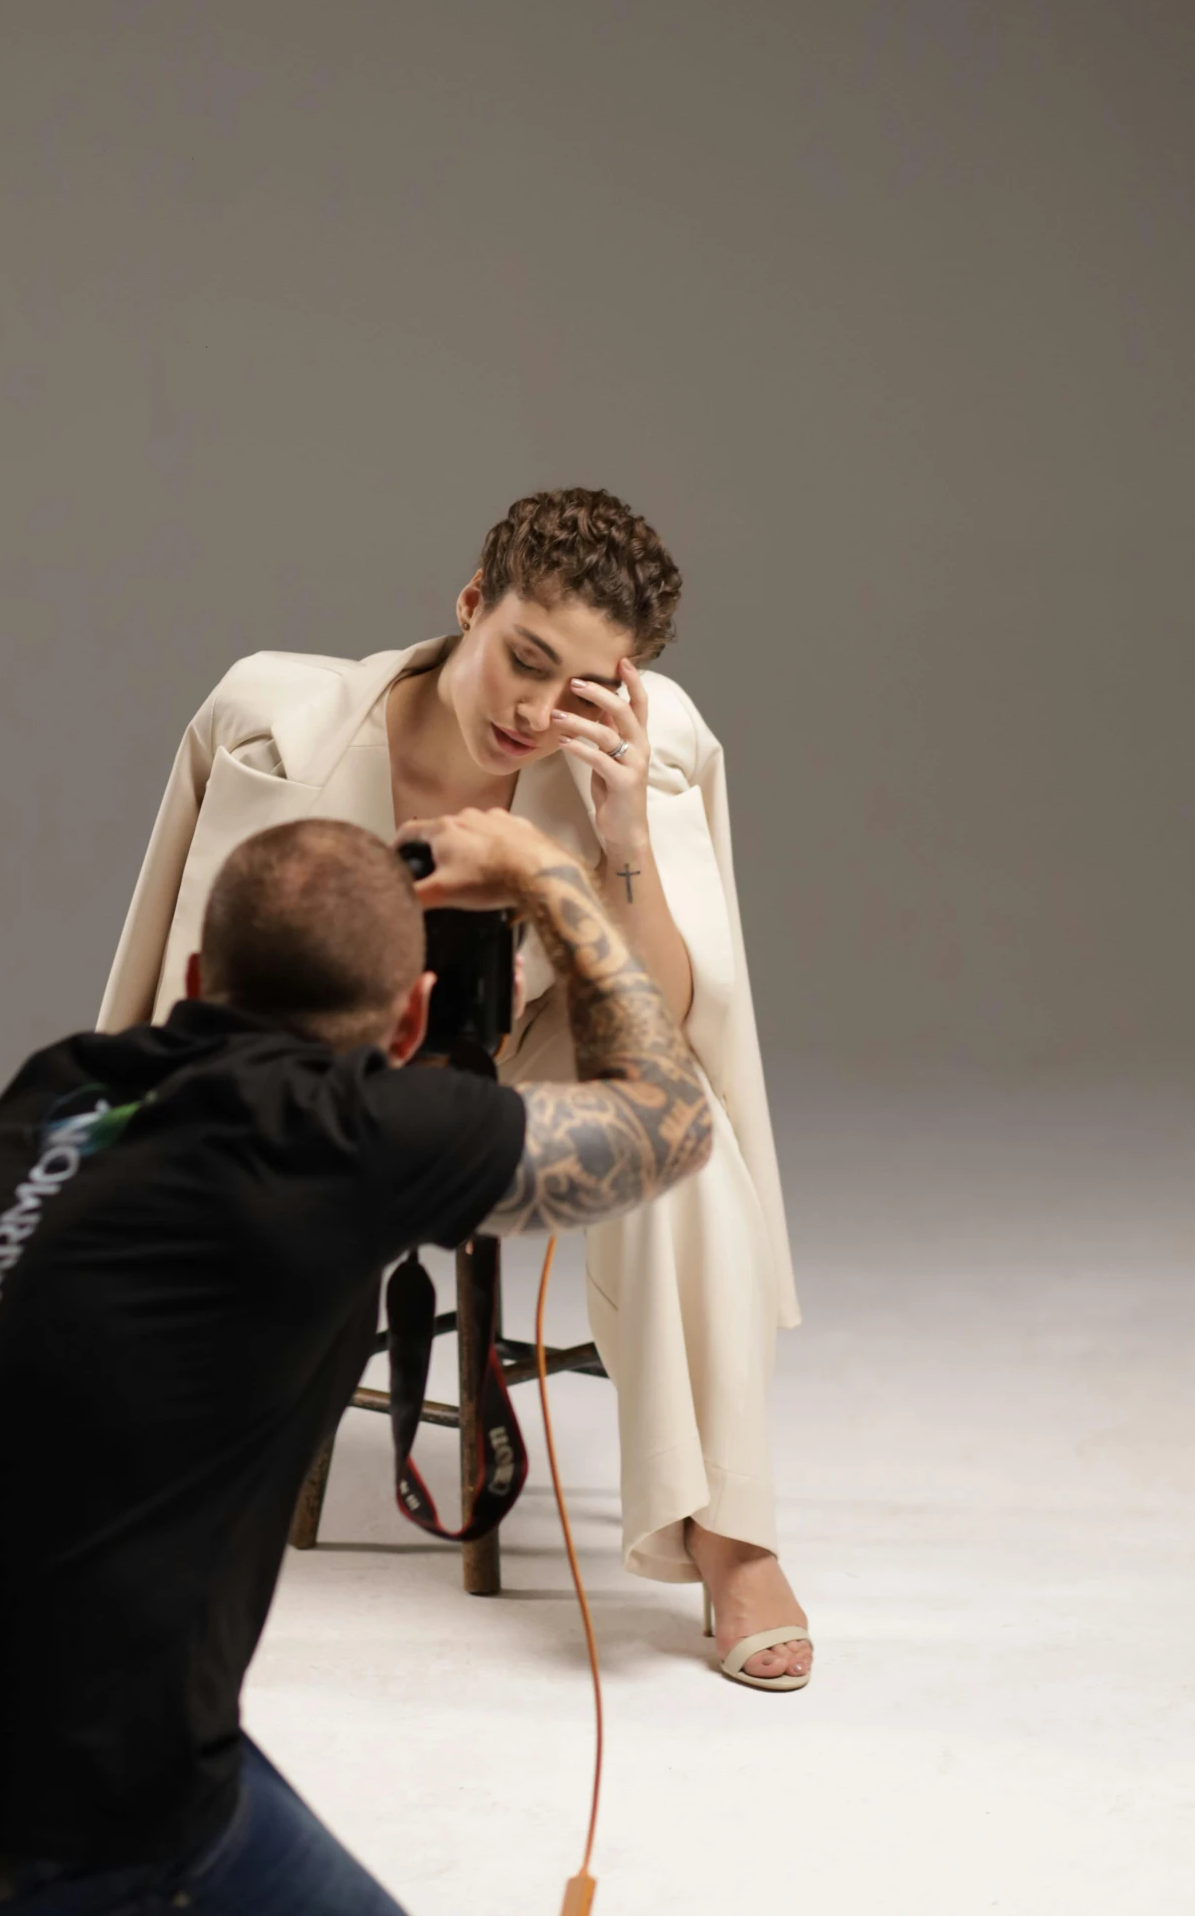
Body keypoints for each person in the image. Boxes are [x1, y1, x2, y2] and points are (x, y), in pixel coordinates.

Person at [0, 811, 712, 1915]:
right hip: (58, 1800)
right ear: (410, 1022)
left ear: (199, 975)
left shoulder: (60, 1090)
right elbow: (669, 1122)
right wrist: (545, 875)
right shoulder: (349, 1134)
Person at [98, 486, 812, 1688]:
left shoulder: (646, 744)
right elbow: (179, 964)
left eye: (583, 688)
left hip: (519, 1064)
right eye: (523, 661)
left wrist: (619, 828)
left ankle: (731, 1536)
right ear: (470, 604)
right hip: (313, 1072)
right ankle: (160, 1471)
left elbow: (667, 1020)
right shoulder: (273, 718)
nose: (539, 711)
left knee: (681, 1135)